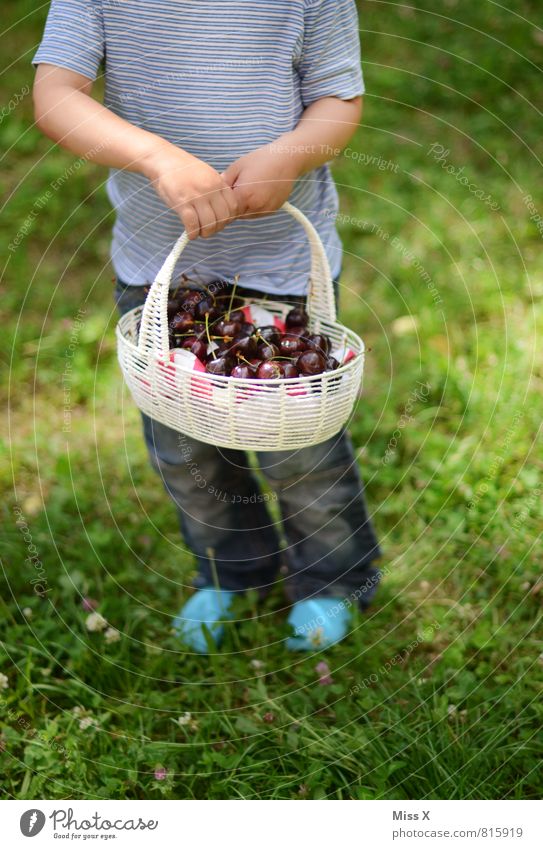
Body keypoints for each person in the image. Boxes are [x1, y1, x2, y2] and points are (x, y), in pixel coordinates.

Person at [33, 0, 381, 652]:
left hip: (280, 269)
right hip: (159, 271)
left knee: (298, 447)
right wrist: (156, 157)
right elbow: (55, 95)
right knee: (185, 444)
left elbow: (338, 98)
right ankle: (232, 566)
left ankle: (331, 578)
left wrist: (289, 154)